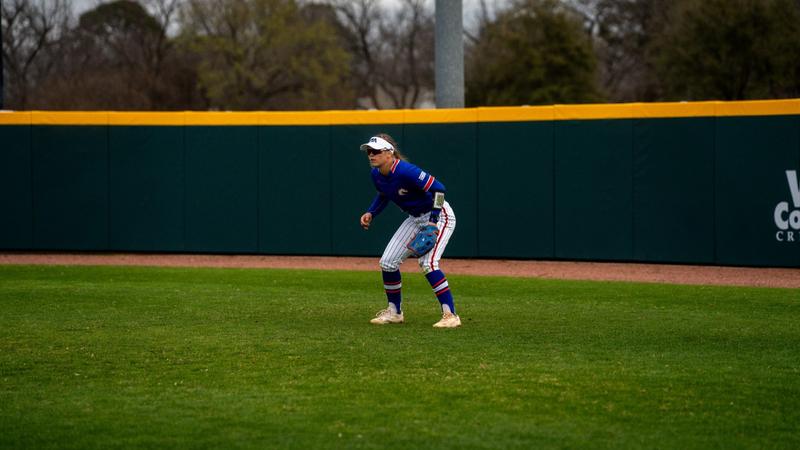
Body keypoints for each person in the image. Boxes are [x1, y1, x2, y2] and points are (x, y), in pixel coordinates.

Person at [358, 134, 461, 328]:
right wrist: (371, 212)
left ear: (389, 153)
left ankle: (451, 315)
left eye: (376, 151)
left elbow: (439, 190)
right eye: (369, 152)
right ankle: (394, 312)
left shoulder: (406, 171)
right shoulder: (376, 174)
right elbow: (383, 195)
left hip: (439, 214)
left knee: (428, 263)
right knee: (388, 263)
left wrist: (432, 223)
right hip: (415, 218)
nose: (371, 155)